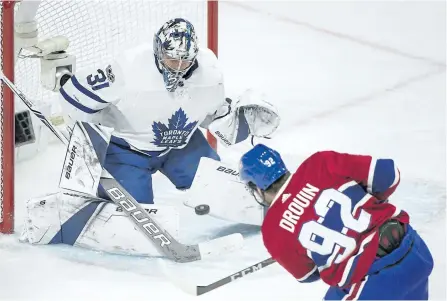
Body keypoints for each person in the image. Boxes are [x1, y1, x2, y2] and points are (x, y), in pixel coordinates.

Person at [20, 18, 279, 256]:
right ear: (158, 50)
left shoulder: (210, 71)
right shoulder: (127, 68)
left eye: (184, 61)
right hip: (126, 151)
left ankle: (277, 211)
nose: (178, 68)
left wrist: (242, 121)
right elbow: (73, 96)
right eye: (171, 59)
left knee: (219, 183)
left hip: (182, 145)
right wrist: (86, 139)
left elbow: (214, 115)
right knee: (139, 217)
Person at [238, 144, 433, 300]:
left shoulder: (272, 231)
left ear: (256, 188)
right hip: (413, 250)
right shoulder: (319, 163)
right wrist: (370, 201)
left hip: (373, 284)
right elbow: (390, 175)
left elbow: (307, 275)